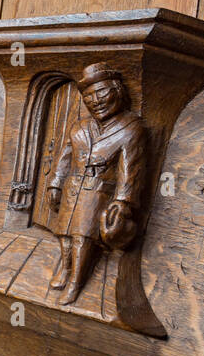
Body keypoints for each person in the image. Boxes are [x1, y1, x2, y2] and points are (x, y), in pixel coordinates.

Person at [46, 62, 146, 305]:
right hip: (73, 188)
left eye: (102, 93)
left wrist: (123, 201)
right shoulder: (80, 126)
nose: (96, 101)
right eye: (88, 96)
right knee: (64, 234)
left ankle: (75, 283)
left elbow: (130, 169)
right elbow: (65, 157)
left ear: (117, 92)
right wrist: (55, 183)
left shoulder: (130, 128)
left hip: (97, 192)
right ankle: (65, 267)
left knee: (82, 237)